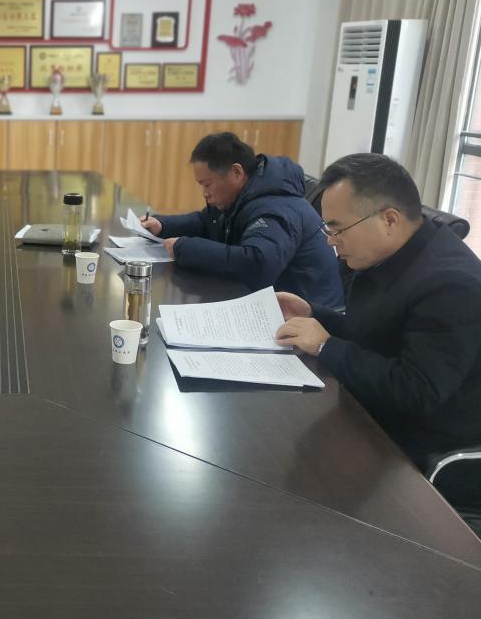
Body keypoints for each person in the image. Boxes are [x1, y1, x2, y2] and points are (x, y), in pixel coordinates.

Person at [275, 153, 481, 475]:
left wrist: (326, 345)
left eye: (338, 229)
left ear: (389, 220)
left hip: (419, 445)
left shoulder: (450, 285)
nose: (330, 241)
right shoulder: (389, 253)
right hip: (373, 410)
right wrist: (316, 314)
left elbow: (416, 391)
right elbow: (377, 332)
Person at [140, 132, 344, 308]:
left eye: (207, 184)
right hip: (270, 303)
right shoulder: (243, 195)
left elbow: (258, 263)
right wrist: (163, 225)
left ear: (237, 172)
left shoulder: (274, 206)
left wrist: (185, 248)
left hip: (307, 315)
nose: (205, 193)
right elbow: (206, 221)